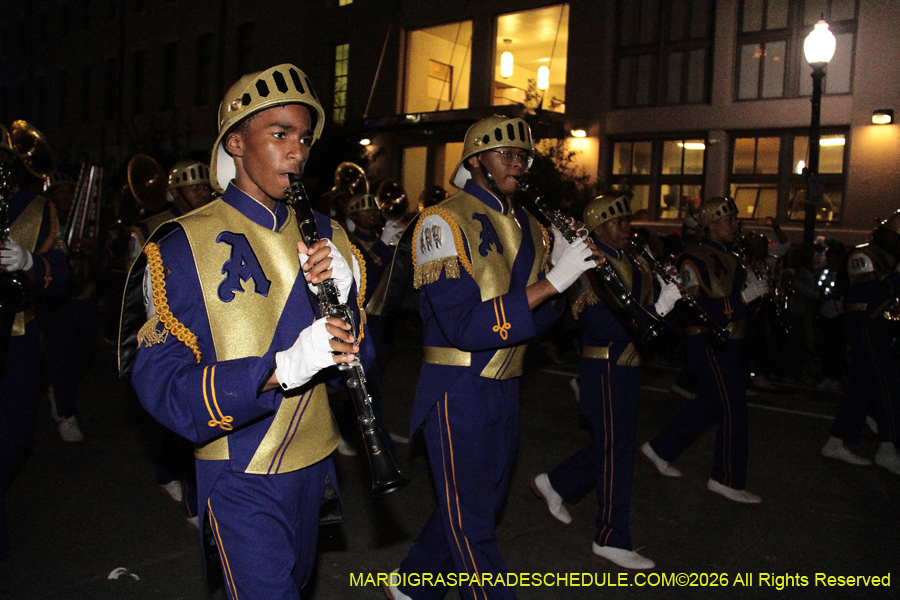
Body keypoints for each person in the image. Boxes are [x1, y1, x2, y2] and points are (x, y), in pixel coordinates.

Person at [119, 64, 365, 598]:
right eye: (279, 134)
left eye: (302, 137)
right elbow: (159, 384)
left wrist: (347, 309)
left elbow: (357, 359)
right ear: (235, 141)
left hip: (315, 458)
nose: (297, 151)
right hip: (238, 468)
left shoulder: (329, 234)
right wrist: (276, 371)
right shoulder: (181, 244)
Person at [384, 115, 599, 600]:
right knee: (474, 523)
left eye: (523, 157)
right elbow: (462, 327)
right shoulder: (441, 220)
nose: (518, 165)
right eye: (507, 154)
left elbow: (541, 324)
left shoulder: (533, 226)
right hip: (457, 386)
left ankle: (413, 584)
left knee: (481, 501)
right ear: (476, 159)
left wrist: (563, 280)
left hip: (506, 382)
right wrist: (551, 283)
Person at [530, 194, 681, 570]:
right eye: (617, 222)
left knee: (614, 447)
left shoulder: (634, 261)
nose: (627, 228)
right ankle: (611, 537)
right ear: (596, 228)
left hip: (628, 367)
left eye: (627, 221)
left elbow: (655, 330)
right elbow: (598, 323)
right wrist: (658, 309)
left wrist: (672, 301)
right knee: (616, 453)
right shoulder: (588, 265)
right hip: (606, 367)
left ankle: (557, 483)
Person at [641, 197, 770, 504]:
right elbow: (697, 308)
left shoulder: (735, 258)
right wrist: (745, 297)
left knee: (711, 404)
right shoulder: (693, 258)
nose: (735, 225)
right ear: (711, 223)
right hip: (709, 340)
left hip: (731, 340)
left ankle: (660, 449)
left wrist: (756, 291)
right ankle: (726, 479)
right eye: (729, 220)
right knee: (732, 407)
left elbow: (742, 306)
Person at [0, 123, 70, 558]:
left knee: (14, 435)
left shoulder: (36, 208)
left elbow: (60, 273)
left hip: (17, 338)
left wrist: (30, 261)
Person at [820, 210, 900, 475]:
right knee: (887, 385)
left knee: (860, 388)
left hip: (883, 326)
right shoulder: (863, 254)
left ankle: (836, 441)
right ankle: (888, 447)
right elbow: (865, 292)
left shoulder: (889, 258)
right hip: (866, 324)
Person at [127, 159, 213, 264]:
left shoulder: (213, 222)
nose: (204, 193)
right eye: (194, 187)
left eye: (206, 187)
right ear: (175, 191)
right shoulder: (150, 229)